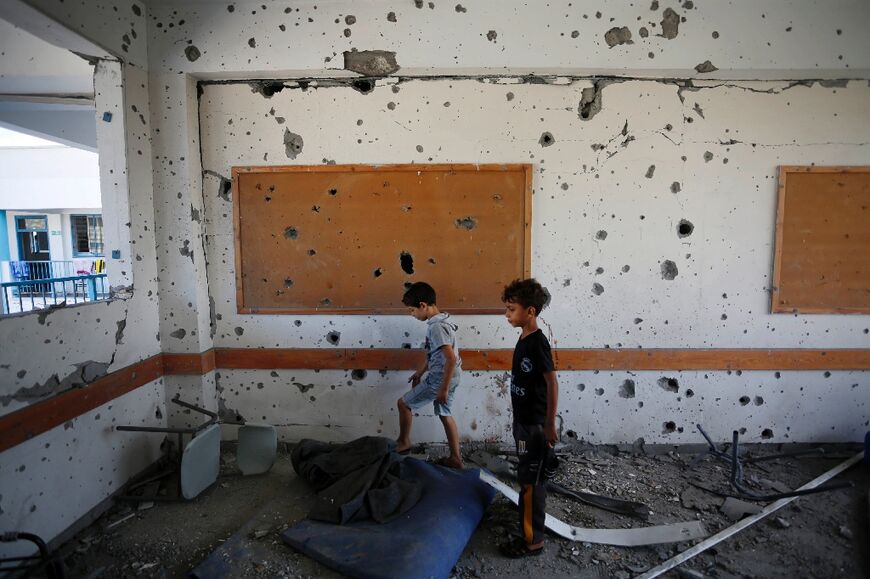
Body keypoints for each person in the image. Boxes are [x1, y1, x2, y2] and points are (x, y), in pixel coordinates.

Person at [498, 278, 559, 558]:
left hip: (534, 425)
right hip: (522, 423)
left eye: (512, 309)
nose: (507, 314)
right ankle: (526, 514)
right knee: (526, 473)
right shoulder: (523, 337)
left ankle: (532, 541)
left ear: (530, 311)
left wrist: (549, 424)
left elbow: (551, 383)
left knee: (533, 481)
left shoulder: (538, 343)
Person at [396, 281, 464, 468]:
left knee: (403, 404)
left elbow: (449, 358)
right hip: (453, 375)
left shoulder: (436, 327)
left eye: (412, 310)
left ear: (423, 306)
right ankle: (456, 458)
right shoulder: (444, 320)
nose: (412, 315)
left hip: (441, 378)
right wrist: (420, 372)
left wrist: (443, 387)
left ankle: (404, 442)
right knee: (445, 413)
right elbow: (436, 354)